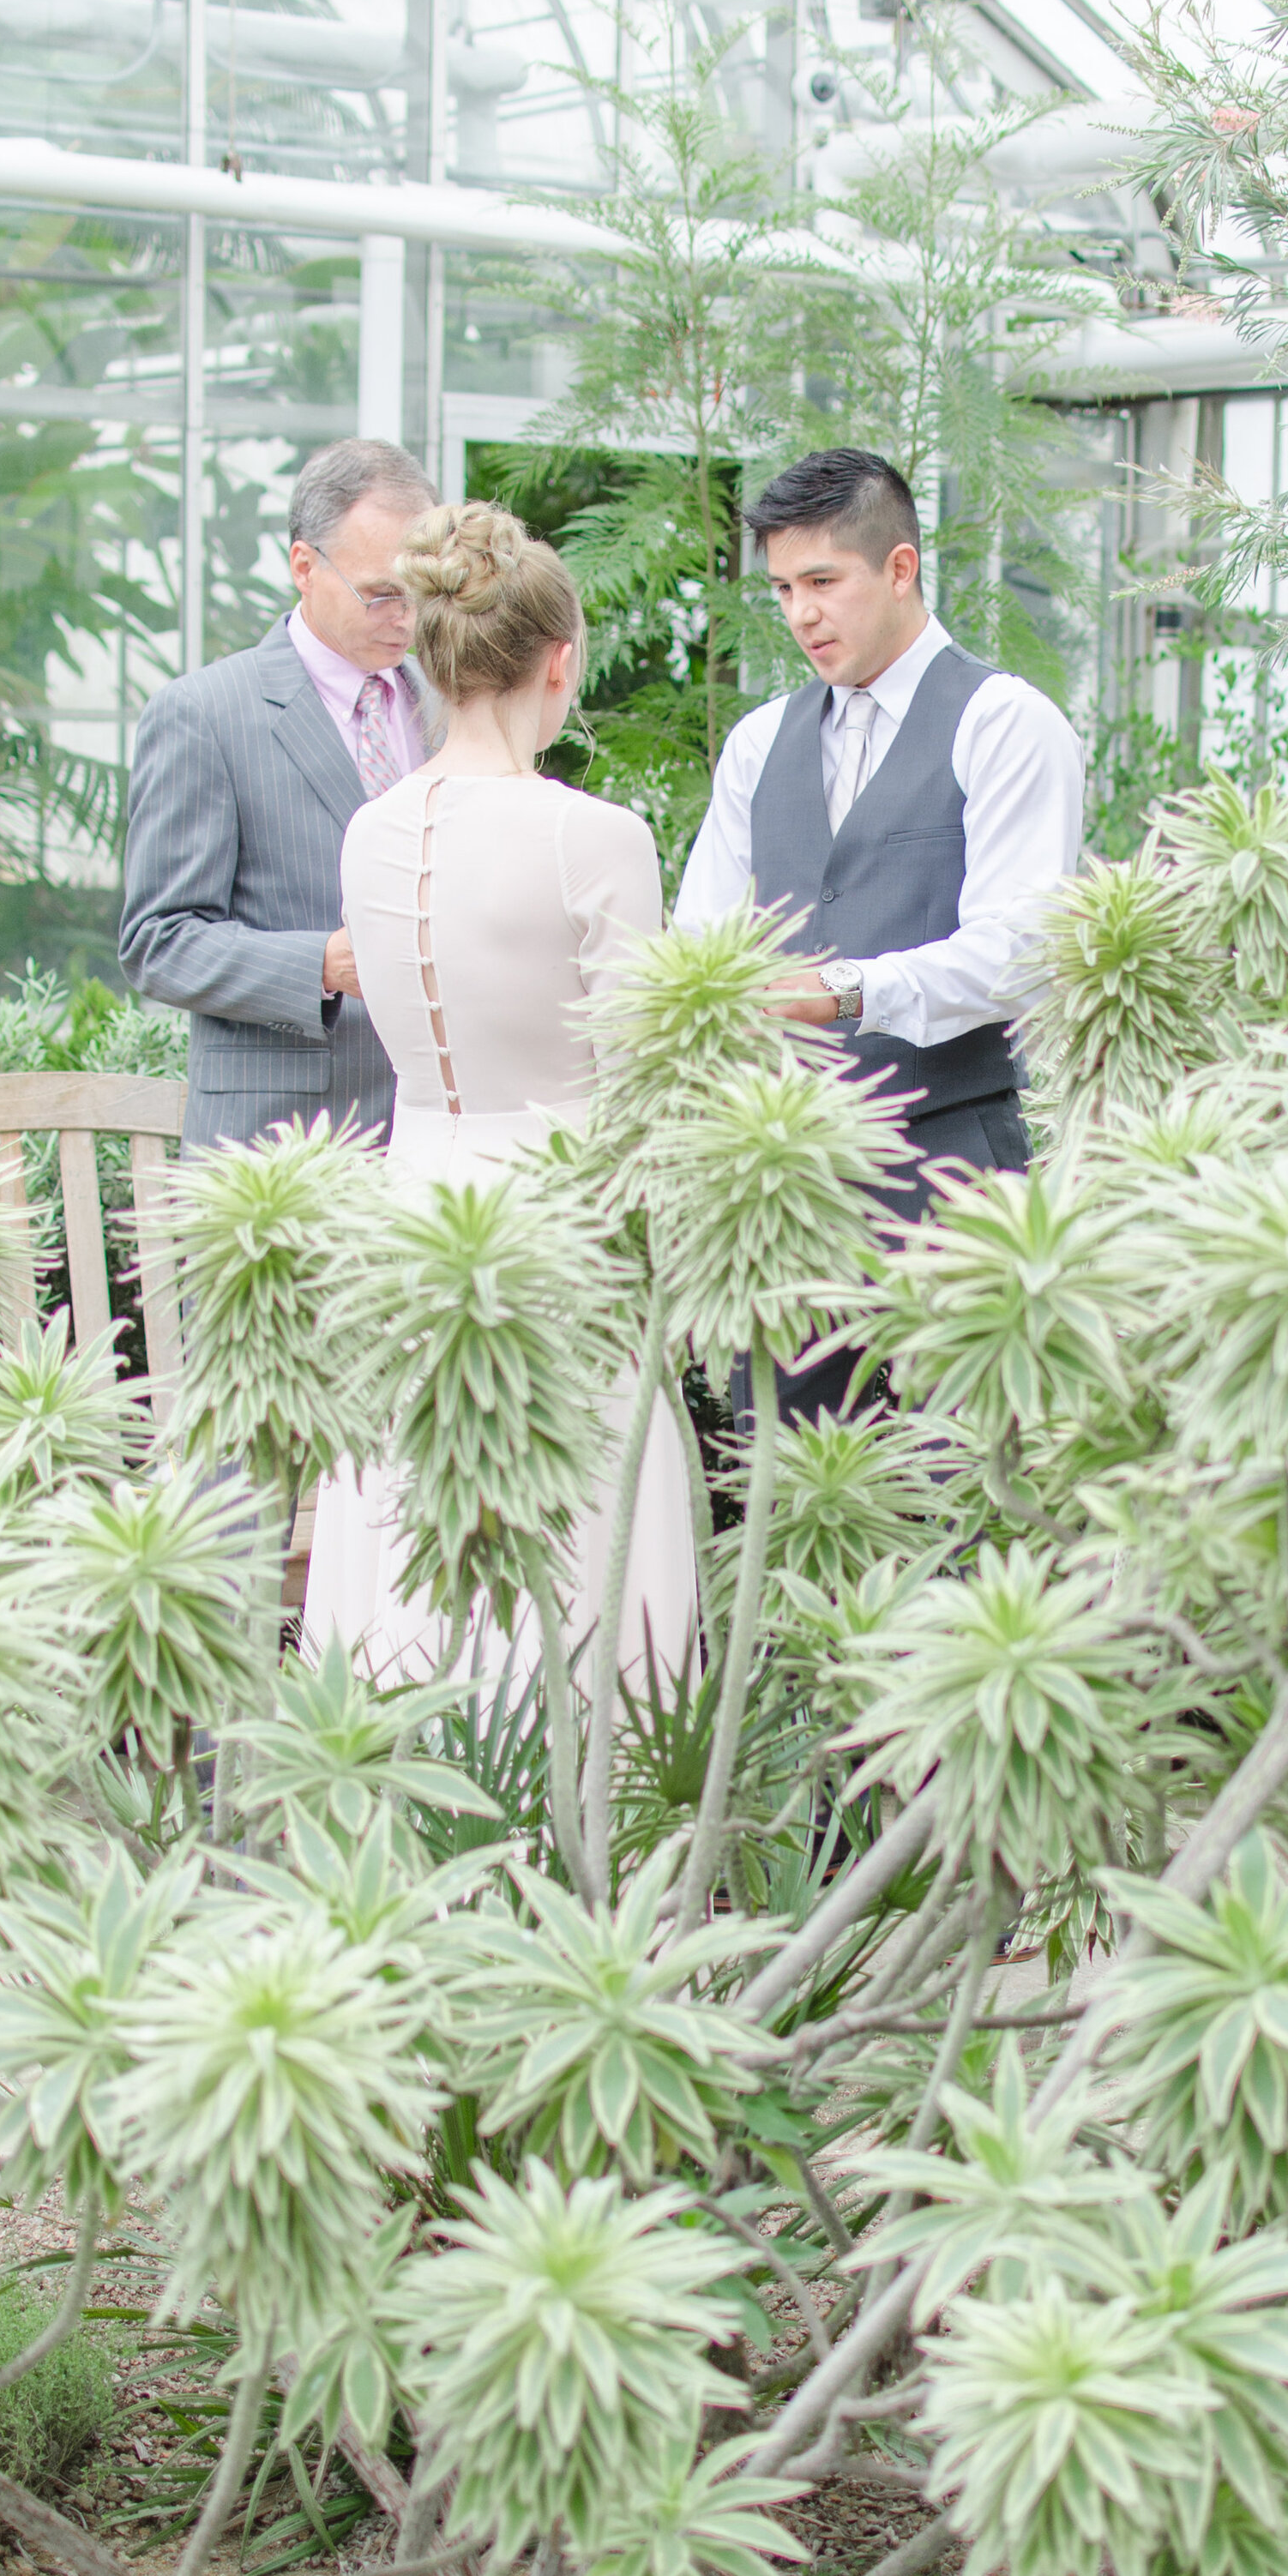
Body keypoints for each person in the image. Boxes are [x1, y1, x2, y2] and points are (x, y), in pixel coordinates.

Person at [302, 501, 697, 1692]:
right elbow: (641, 1076)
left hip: (413, 1219)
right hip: (563, 1226)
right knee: (580, 1536)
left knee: (409, 1528)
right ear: (560, 661)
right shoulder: (598, 837)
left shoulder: (368, 831)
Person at [675, 444, 1083, 1419]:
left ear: (901, 568)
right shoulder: (757, 742)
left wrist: (846, 990)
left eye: (823, 582)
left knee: (963, 1472)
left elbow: (1020, 950)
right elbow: (699, 942)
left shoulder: (1004, 723)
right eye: (782, 588)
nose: (800, 614)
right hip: (789, 1187)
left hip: (952, 1168)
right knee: (788, 1468)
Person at [119, 436, 439, 1151]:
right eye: (381, 593)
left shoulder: (449, 707)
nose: (406, 617)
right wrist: (323, 965)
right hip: (274, 1151)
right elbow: (156, 942)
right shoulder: (204, 714)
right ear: (304, 566)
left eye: (422, 592)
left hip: (431, 1142)